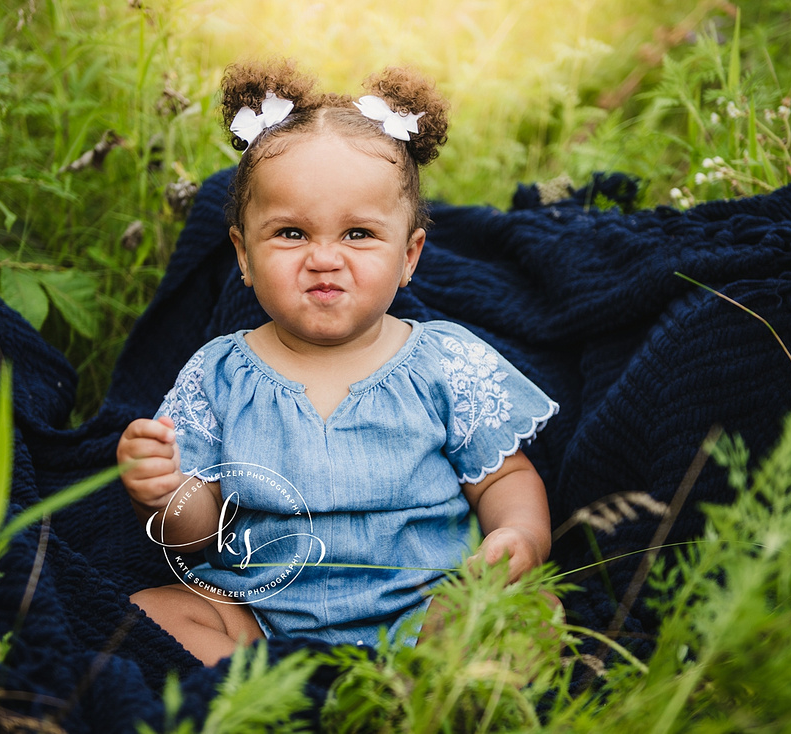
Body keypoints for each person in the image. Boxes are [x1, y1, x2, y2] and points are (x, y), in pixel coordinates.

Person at [117, 60, 559, 666]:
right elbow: (196, 533)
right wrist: (161, 492)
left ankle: (420, 684)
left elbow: (504, 478)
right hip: (261, 617)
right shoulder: (219, 374)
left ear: (409, 256)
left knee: (530, 619)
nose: (325, 258)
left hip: (428, 610)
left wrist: (519, 536)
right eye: (292, 233)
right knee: (146, 613)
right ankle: (265, 690)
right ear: (243, 256)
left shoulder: (442, 361)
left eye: (358, 234)